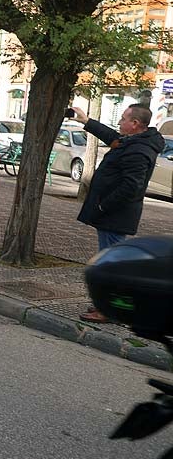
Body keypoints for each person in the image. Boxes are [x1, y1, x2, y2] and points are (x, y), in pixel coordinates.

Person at [70, 104, 165, 322]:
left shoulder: (139, 150)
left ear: (135, 124)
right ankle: (109, 306)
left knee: (111, 265)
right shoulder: (133, 141)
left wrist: (104, 206)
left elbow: (132, 186)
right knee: (110, 262)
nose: (120, 122)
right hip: (111, 215)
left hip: (114, 216)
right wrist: (87, 122)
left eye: (123, 119)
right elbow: (111, 136)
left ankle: (110, 309)